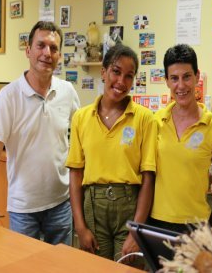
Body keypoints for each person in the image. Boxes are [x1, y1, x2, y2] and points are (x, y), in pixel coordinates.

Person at [0, 21, 80, 246]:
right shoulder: (8, 96)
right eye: (40, 45)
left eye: (53, 48)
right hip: (23, 209)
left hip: (61, 204)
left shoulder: (67, 92)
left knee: (61, 268)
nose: (47, 53)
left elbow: (82, 137)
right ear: (28, 51)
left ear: (59, 55)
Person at [66, 44, 157, 261]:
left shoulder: (145, 118)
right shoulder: (81, 117)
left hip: (130, 206)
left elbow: (148, 178)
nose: (121, 82)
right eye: (116, 72)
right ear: (104, 72)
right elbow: (76, 174)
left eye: (129, 76)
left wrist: (136, 229)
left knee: (128, 265)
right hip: (93, 208)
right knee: (93, 266)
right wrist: (79, 225)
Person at [149, 44, 212, 234]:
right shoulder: (155, 121)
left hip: (197, 226)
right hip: (156, 222)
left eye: (187, 77)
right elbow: (147, 177)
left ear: (197, 77)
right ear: (166, 81)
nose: (181, 85)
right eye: (174, 78)